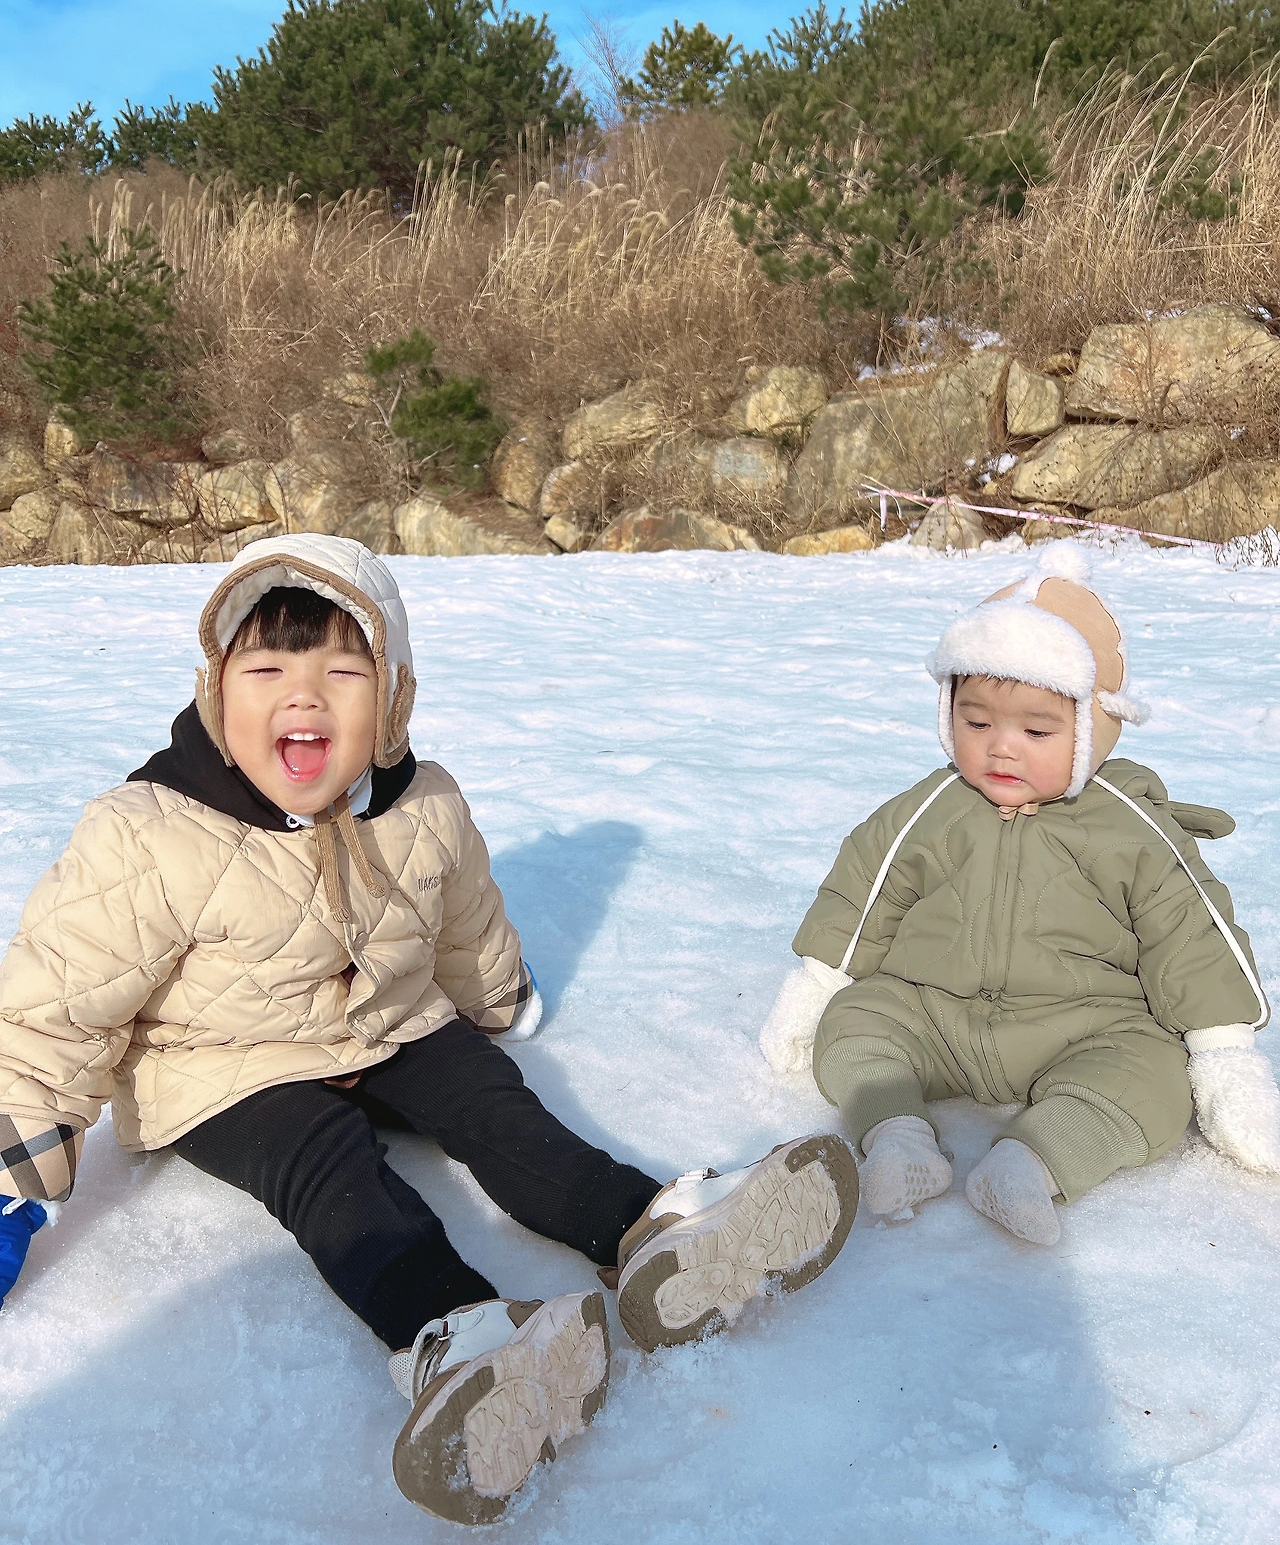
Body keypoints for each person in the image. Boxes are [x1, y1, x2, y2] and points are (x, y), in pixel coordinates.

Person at [0, 533, 858, 1526]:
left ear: (394, 699)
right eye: (266, 670)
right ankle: (458, 1335)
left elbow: (462, 924)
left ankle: (652, 1229)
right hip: (222, 1064)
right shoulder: (150, 830)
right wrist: (19, 1169)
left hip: (391, 1018)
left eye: (343, 672)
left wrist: (497, 998)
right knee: (327, 1170)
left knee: (492, 1104)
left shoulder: (425, 805)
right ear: (214, 693)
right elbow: (57, 1004)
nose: (303, 697)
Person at [761, 541, 1280, 1246]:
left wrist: (1224, 1053)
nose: (1001, 747)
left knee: (1155, 1073)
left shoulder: (1129, 828)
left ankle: (1033, 1163)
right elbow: (865, 893)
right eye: (977, 723)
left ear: (1093, 728)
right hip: (935, 1012)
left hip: (1084, 1025)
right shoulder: (933, 807)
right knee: (856, 1023)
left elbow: (1192, 936)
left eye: (1036, 730)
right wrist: (818, 985)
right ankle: (898, 1138)